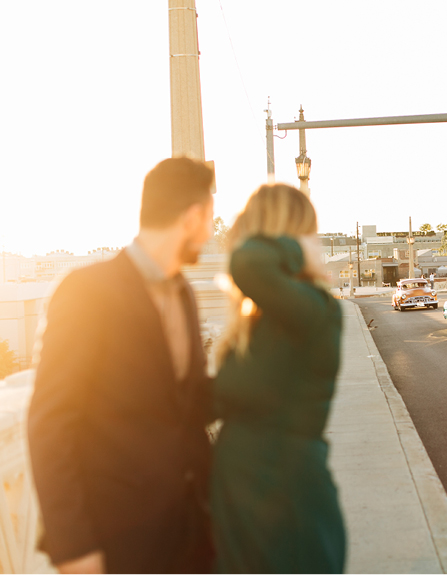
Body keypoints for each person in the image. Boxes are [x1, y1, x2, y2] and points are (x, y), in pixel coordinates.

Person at [27, 158, 216, 573]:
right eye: (210, 219)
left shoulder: (182, 292)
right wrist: (74, 548)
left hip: (195, 537)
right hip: (123, 543)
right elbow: (49, 423)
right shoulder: (86, 292)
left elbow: (189, 397)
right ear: (192, 217)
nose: (210, 232)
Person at [212, 184, 346, 573]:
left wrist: (292, 247)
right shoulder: (264, 318)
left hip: (286, 511)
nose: (315, 240)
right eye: (309, 231)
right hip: (247, 508)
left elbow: (247, 263)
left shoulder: (314, 310)